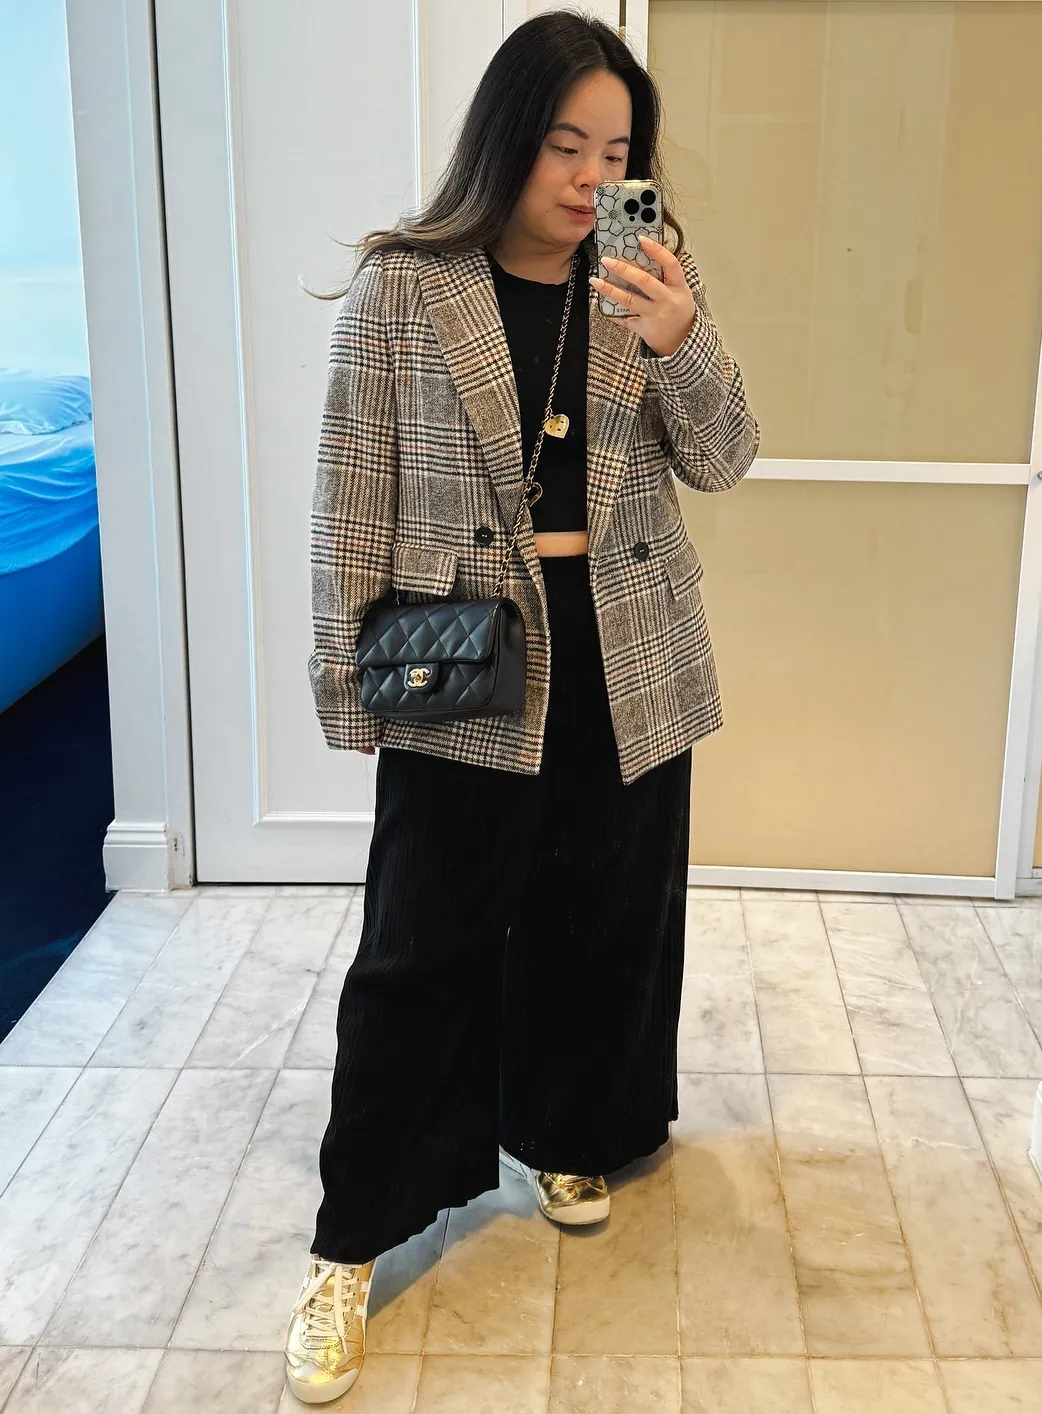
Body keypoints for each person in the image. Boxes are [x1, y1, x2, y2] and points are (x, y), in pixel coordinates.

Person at [285, 9, 759, 1404]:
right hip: (457, 641)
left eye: (615, 151)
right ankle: (348, 1242)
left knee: (602, 915)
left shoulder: (645, 279)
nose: (590, 176)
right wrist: (350, 684)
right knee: (418, 943)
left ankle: (565, 1131)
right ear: (506, 139)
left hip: (624, 639)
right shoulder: (407, 286)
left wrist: (679, 340)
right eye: (564, 144)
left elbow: (725, 458)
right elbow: (351, 496)